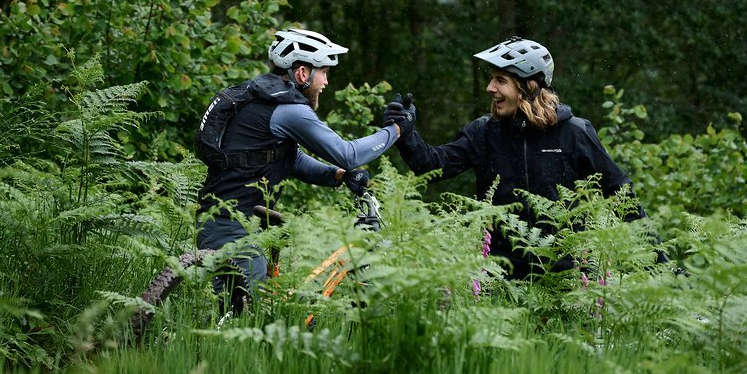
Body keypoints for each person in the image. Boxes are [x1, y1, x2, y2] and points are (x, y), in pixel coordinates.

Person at [383, 36, 658, 280]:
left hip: (565, 279)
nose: (490, 88)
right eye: (492, 79)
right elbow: (430, 166)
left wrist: (660, 262)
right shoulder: (484, 132)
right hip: (499, 279)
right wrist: (404, 134)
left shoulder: (574, 133)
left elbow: (621, 195)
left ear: (528, 87)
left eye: (501, 80)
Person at [196, 27, 402, 313]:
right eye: (324, 73)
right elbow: (348, 153)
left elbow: (288, 159)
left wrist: (338, 176)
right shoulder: (289, 109)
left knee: (258, 310)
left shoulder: (261, 100)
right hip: (230, 226)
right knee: (243, 319)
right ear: (303, 73)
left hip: (229, 220)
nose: (326, 82)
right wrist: (395, 130)